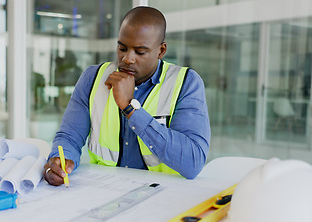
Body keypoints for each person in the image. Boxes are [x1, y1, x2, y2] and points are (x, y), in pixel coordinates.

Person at [44, 6, 210, 186]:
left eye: (140, 52)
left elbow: (193, 163)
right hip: (104, 190)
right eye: (122, 48)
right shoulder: (92, 78)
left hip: (164, 195)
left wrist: (130, 108)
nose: (127, 59)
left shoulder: (186, 83)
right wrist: (61, 160)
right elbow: (69, 137)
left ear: (161, 51)